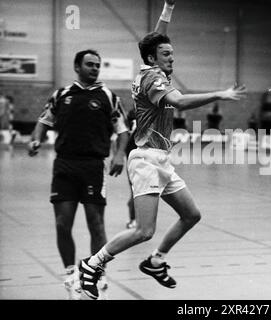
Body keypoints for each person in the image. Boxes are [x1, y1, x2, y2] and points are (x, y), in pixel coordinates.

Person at [77, 0, 246, 300]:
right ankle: (92, 265)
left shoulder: (150, 66)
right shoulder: (153, 78)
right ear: (153, 59)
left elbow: (156, 41)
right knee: (144, 230)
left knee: (191, 214)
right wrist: (220, 93)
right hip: (145, 160)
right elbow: (180, 102)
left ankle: (155, 261)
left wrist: (167, 9)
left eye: (173, 54)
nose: (172, 58)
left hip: (161, 161)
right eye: (167, 55)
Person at [28, 49, 129, 299]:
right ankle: (72, 273)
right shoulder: (62, 95)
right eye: (90, 64)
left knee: (96, 224)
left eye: (98, 65)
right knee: (63, 224)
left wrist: (118, 156)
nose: (95, 68)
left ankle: (98, 274)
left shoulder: (108, 97)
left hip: (93, 167)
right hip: (64, 166)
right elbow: (44, 120)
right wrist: (35, 139)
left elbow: (123, 130)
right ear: (77, 67)